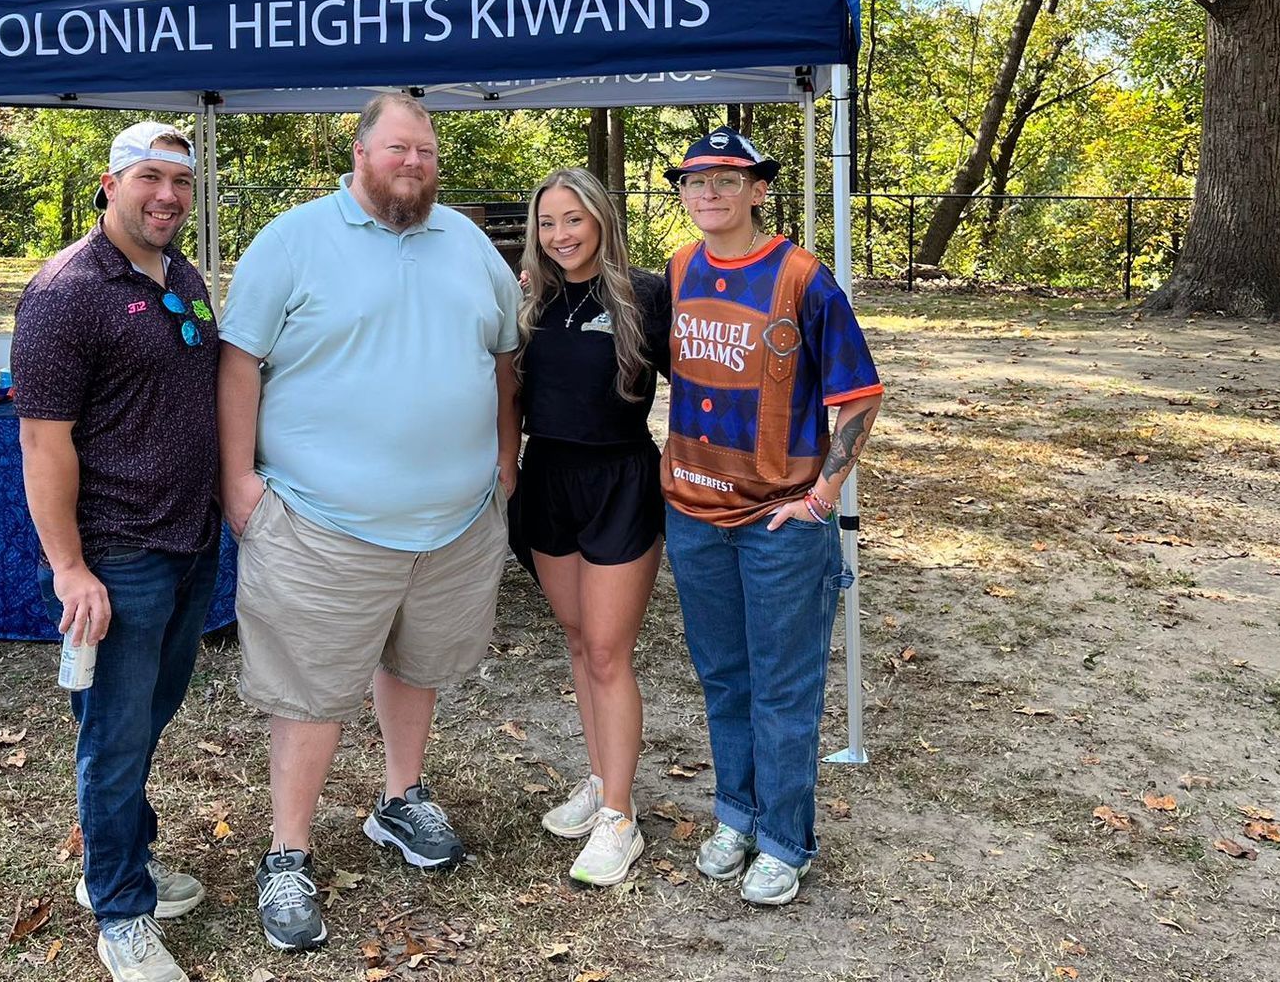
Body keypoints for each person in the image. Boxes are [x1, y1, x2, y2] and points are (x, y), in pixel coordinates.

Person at [217, 94, 521, 952]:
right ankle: (287, 854)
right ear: (359, 152)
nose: (414, 165)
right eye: (398, 149)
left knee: (417, 665)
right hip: (320, 521)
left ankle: (400, 800)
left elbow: (503, 360)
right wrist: (238, 481)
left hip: (454, 522)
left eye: (426, 152)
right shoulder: (293, 239)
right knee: (312, 695)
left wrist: (504, 461)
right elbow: (239, 362)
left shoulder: (466, 242)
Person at [12, 120, 221, 982]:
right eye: (149, 177)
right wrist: (71, 569)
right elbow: (41, 442)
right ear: (109, 182)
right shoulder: (66, 290)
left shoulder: (183, 275)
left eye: (180, 180)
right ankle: (120, 912)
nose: (167, 195)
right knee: (116, 734)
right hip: (118, 555)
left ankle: (124, 859)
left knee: (146, 718)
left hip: (191, 541)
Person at [659, 127, 883, 907]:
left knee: (784, 687)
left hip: (777, 524)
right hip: (692, 512)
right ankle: (736, 814)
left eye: (727, 180)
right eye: (694, 182)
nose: (709, 193)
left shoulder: (802, 278)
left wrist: (820, 499)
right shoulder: (681, 268)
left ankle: (786, 839)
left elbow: (858, 395)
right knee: (724, 677)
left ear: (759, 190)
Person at [513, 167, 671, 887]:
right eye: (548, 223)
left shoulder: (645, 295)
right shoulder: (528, 301)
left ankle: (619, 817)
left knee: (609, 652)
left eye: (573, 219)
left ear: (602, 219)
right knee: (579, 643)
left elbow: (699, 386)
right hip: (548, 479)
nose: (561, 235)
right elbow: (506, 393)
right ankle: (604, 776)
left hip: (621, 480)